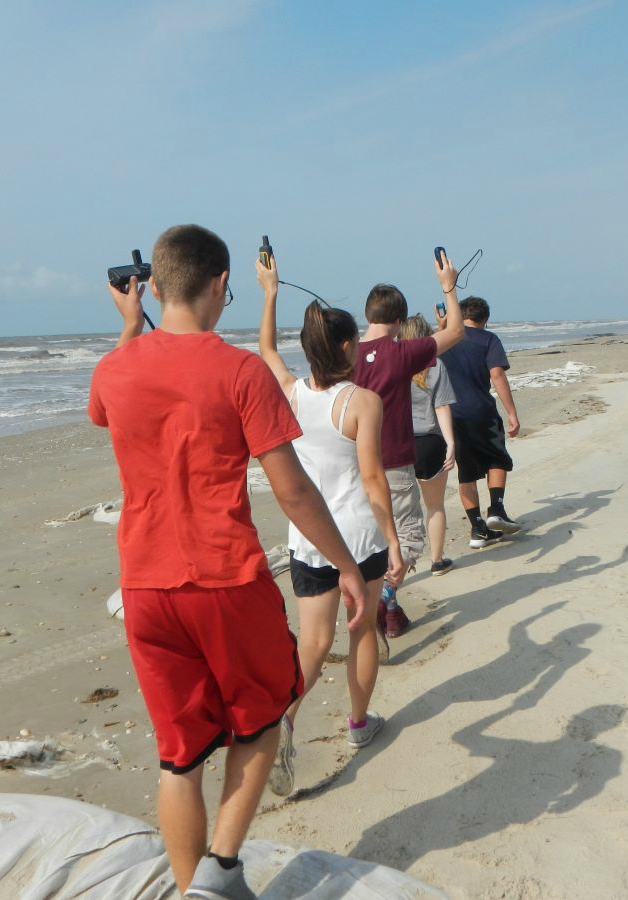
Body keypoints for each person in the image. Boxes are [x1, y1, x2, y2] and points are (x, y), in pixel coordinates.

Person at [88, 225, 366, 900]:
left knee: (178, 758)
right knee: (266, 717)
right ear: (220, 285)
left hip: (145, 587)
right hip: (225, 579)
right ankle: (222, 866)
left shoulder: (113, 368)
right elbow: (293, 489)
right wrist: (348, 567)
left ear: (151, 287)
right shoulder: (240, 371)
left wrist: (130, 329)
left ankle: (196, 890)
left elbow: (103, 410)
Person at [255, 252, 407, 798]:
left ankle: (285, 720)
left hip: (308, 541)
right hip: (358, 538)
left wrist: (269, 292)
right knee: (360, 629)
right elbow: (372, 479)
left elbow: (266, 349)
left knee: (313, 644)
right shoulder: (362, 402)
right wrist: (393, 541)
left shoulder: (290, 392)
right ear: (347, 348)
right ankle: (361, 725)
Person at [352, 251, 465, 640]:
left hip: (352, 462)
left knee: (372, 537)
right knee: (408, 537)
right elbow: (454, 333)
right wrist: (448, 286)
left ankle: (387, 608)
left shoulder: (344, 353)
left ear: (368, 315)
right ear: (399, 322)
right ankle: (383, 596)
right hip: (393, 462)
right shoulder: (398, 352)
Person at [438, 295, 522, 548]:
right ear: (484, 319)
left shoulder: (444, 340)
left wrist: (441, 327)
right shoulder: (488, 339)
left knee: (466, 472)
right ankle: (496, 509)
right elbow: (496, 374)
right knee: (497, 458)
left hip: (450, 415)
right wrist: (511, 412)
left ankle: (478, 529)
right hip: (480, 410)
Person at [401, 313, 458, 575]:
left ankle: (398, 565)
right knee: (434, 506)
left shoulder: (393, 365)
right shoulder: (435, 365)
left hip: (398, 446)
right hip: (430, 443)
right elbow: (442, 406)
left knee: (399, 513)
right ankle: (437, 560)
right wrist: (450, 443)